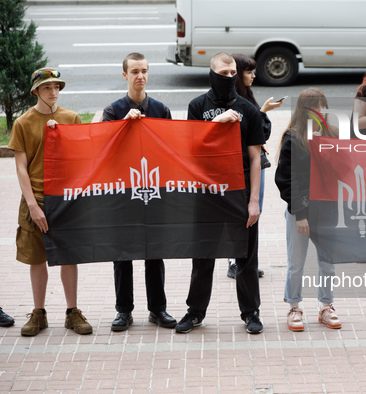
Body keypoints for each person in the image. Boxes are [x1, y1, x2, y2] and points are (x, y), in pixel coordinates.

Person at [176, 52, 265, 335]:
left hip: (240, 193)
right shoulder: (197, 106)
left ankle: (251, 313)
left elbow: (255, 159)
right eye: (223, 73)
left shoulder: (248, 109)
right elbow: (191, 148)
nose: (229, 77)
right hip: (206, 193)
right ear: (212, 74)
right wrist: (217, 122)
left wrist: (254, 201)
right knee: (202, 257)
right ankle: (195, 312)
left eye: (232, 73)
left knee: (247, 257)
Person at [7, 67, 93, 337]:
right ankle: (39, 312)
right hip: (36, 197)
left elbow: (82, 157)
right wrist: (32, 205)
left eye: (56, 87)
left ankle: (72, 312)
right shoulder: (23, 123)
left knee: (68, 255)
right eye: (47, 88)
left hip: (65, 198)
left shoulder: (71, 118)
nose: (53, 92)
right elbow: (21, 167)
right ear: (35, 91)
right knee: (36, 258)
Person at [102, 52, 176, 332]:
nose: (140, 76)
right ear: (125, 75)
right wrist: (124, 126)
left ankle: (158, 309)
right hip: (122, 192)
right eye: (134, 71)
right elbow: (103, 150)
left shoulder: (160, 109)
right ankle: (124, 310)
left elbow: (171, 150)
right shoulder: (113, 111)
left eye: (144, 70)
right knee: (122, 253)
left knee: (154, 252)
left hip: (154, 190)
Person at [275, 88, 342, 332]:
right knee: (297, 262)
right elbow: (287, 179)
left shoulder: (333, 134)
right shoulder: (293, 138)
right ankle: (294, 307)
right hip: (300, 211)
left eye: (322, 105)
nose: (320, 111)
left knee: (327, 262)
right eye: (314, 106)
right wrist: (300, 214)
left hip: (327, 211)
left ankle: (326, 306)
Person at [226, 53, 283, 280]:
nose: (254, 76)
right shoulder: (233, 100)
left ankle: (247, 262)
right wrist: (262, 113)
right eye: (249, 72)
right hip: (239, 165)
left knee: (254, 211)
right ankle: (234, 262)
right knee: (240, 212)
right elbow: (241, 133)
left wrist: (261, 117)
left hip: (255, 162)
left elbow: (261, 134)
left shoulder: (247, 95)